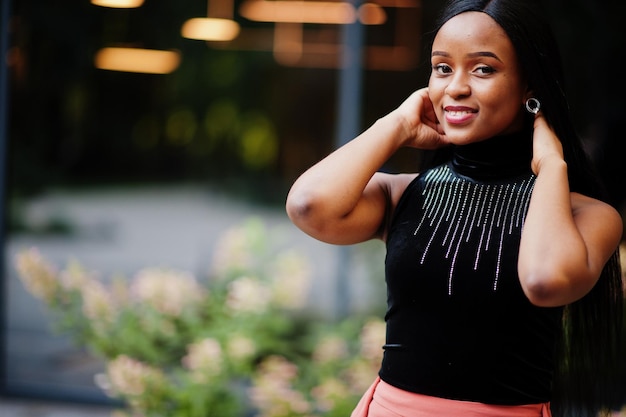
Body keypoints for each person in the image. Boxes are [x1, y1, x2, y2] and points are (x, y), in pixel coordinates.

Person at [285, 0, 624, 416]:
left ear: (530, 86)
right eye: (443, 68)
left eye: (483, 69)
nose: (455, 87)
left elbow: (544, 280)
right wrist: (397, 125)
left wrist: (552, 167)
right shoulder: (403, 194)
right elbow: (308, 206)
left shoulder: (587, 215)